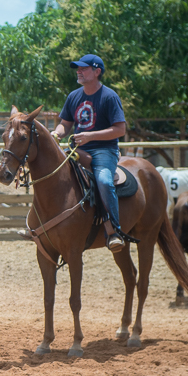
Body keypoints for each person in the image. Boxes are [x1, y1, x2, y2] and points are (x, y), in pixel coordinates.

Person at [51, 54, 128, 252]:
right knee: (53, 176)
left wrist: (90, 137)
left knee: (103, 180)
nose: (79, 71)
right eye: (78, 68)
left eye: (84, 68)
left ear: (97, 72)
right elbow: (65, 124)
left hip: (105, 150)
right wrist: (56, 134)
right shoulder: (74, 96)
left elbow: (120, 130)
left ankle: (114, 231)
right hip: (79, 149)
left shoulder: (109, 96)